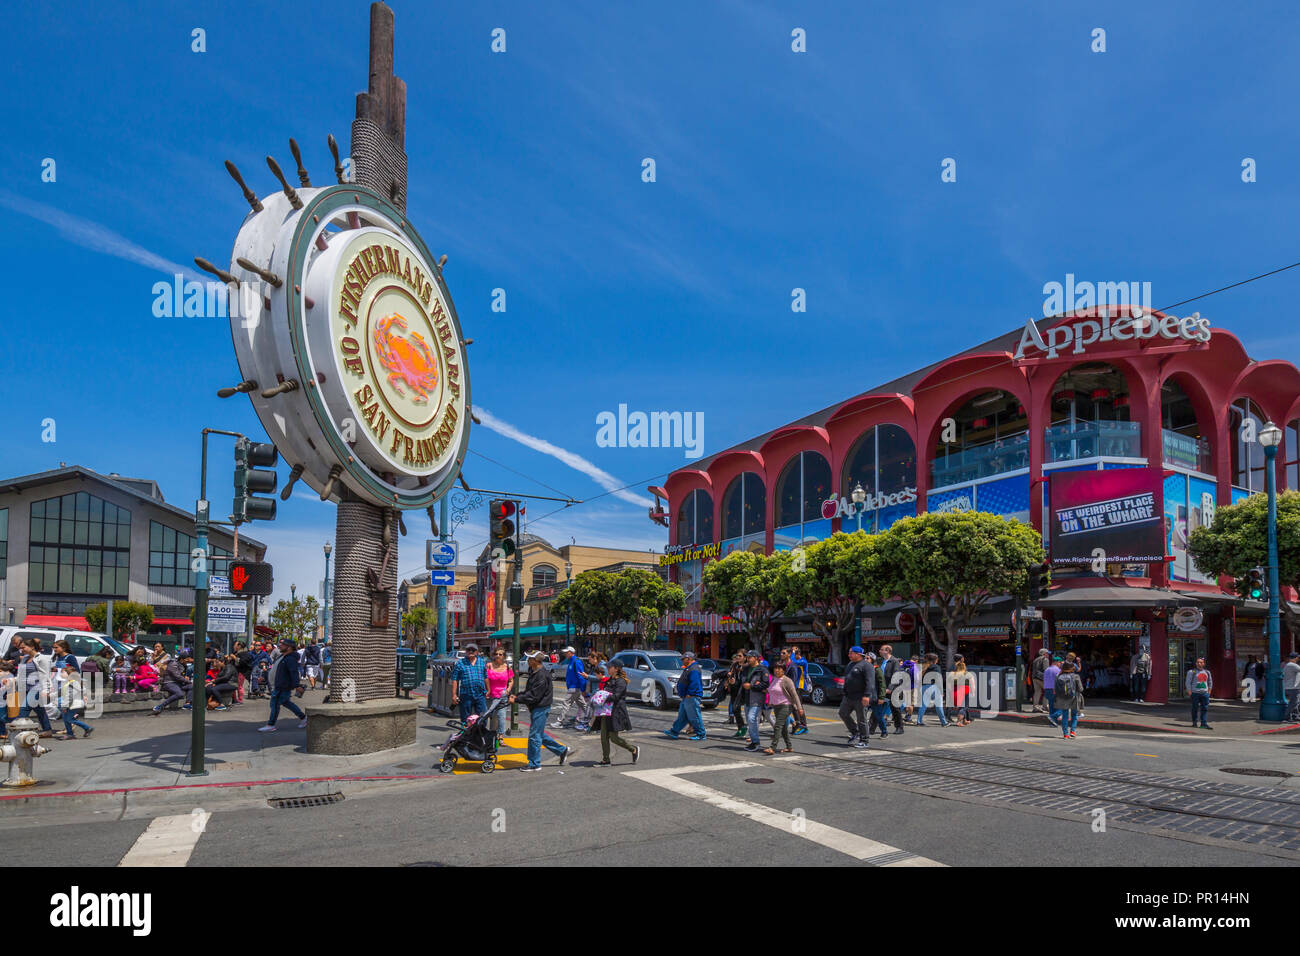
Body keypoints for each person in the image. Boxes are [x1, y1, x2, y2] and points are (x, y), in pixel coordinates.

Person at [509, 650, 570, 771]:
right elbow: (530, 691)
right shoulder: (534, 671)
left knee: (534, 736)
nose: (527, 660)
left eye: (529, 658)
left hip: (540, 707)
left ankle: (534, 764)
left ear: (535, 661)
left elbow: (534, 695)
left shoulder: (541, 674)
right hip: (538, 707)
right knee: (539, 734)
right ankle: (562, 750)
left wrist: (517, 699)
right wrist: (518, 696)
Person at [592, 660, 638, 766]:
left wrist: (603, 697)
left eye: (610, 667)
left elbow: (616, 696)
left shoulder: (621, 681)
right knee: (603, 736)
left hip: (615, 712)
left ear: (616, 668)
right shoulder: (610, 679)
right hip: (606, 711)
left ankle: (633, 749)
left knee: (614, 738)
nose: (608, 669)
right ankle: (606, 759)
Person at [258, 639, 307, 732]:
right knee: (286, 702)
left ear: (289, 647)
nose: (280, 646)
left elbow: (294, 672)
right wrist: (265, 676)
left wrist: (297, 685)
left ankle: (271, 724)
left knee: (275, 704)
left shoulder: (290, 658)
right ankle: (304, 718)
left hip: (283, 685)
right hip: (281, 685)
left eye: (283, 645)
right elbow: (274, 668)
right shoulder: (284, 656)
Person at [664, 649, 707, 740]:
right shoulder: (690, 667)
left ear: (689, 658)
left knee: (694, 715)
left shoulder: (694, 668)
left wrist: (690, 693)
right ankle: (674, 731)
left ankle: (701, 734)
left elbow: (694, 683)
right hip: (687, 697)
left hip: (691, 696)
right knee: (682, 716)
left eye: (683, 659)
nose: (682, 660)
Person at [763, 662, 804, 754]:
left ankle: (772, 747)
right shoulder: (774, 679)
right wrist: (770, 702)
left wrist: (799, 708)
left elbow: (794, 695)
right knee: (783, 728)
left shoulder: (787, 681)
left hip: (786, 705)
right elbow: (771, 691)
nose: (777, 670)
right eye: (775, 668)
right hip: (776, 706)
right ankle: (789, 747)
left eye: (779, 668)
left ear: (784, 670)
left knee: (778, 726)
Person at [17, 639, 54, 737]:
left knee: (24, 709)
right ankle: (47, 730)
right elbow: (21, 674)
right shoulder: (25, 658)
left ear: (32, 647)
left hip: (37, 688)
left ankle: (18, 732)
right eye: (20, 648)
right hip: (26, 688)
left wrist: (46, 690)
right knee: (40, 710)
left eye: (23, 647)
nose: (22, 650)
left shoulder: (41, 658)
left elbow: (46, 675)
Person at [838, 646, 874, 747]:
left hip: (861, 697)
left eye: (851, 653)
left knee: (861, 719)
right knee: (842, 713)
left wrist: (867, 695)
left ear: (858, 654)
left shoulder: (867, 665)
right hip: (848, 696)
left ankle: (864, 740)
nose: (849, 655)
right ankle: (855, 731)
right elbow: (847, 678)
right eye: (849, 653)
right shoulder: (850, 664)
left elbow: (870, 682)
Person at [552, 646, 590, 731]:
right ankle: (591, 718)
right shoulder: (571, 661)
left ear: (571, 652)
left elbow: (581, 676)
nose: (565, 654)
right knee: (583, 705)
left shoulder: (576, 661)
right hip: (574, 687)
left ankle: (560, 721)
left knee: (566, 703)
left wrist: (583, 689)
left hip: (574, 687)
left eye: (566, 652)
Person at [741, 650, 771, 753]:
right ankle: (753, 741)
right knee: (750, 721)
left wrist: (752, 686)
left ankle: (756, 742)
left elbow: (766, 684)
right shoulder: (746, 669)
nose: (748, 659)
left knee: (751, 718)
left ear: (757, 658)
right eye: (747, 657)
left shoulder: (763, 670)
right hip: (747, 698)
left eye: (750, 657)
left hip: (757, 699)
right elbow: (742, 681)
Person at [450, 644, 488, 723]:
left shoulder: (482, 662)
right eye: (468, 650)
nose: (470, 651)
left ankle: (480, 734)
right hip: (466, 694)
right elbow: (455, 679)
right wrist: (454, 695)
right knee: (465, 719)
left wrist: (489, 690)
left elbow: (485, 677)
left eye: (473, 650)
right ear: (466, 652)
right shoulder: (460, 663)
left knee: (483, 717)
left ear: (477, 652)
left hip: (480, 694)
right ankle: (466, 734)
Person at [56, 664, 93, 740]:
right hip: (69, 704)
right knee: (66, 719)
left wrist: (64, 706)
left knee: (69, 719)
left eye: (63, 672)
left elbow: (69, 696)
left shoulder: (72, 683)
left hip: (73, 705)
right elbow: (61, 692)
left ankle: (87, 728)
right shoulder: (68, 682)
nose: (61, 674)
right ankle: (70, 734)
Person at [485, 647, 513, 740]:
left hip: (502, 695)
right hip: (491, 695)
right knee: (491, 715)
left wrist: (508, 689)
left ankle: (500, 736)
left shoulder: (507, 667)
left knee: (501, 716)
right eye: (496, 654)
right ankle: (490, 734)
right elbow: (485, 679)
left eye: (500, 654)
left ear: (504, 657)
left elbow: (511, 680)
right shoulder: (489, 665)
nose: (498, 656)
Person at [915, 653, 949, 727]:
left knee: (923, 705)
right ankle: (944, 722)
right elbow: (939, 679)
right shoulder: (936, 667)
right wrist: (941, 691)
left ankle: (919, 721)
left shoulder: (923, 667)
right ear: (935, 660)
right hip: (933, 687)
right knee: (939, 705)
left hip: (923, 687)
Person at [878, 644, 905, 735]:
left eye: (881, 649)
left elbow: (896, 675)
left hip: (893, 689)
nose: (879, 651)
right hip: (883, 688)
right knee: (877, 707)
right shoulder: (882, 661)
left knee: (895, 709)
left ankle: (899, 727)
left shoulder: (894, 661)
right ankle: (871, 727)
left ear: (887, 651)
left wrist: (890, 688)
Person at [1055, 660, 1084, 738]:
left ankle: (1065, 733)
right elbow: (1081, 689)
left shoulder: (1058, 676)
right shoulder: (1076, 676)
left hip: (1063, 698)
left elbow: (1056, 689)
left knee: (1065, 715)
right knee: (1074, 715)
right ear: (1071, 668)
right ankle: (1073, 731)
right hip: (1074, 697)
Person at [1186, 656, 1213, 730]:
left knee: (1204, 708)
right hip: (1195, 693)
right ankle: (1194, 722)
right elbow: (1188, 683)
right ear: (1196, 663)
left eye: (1201, 662)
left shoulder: (1207, 672)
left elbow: (1210, 682)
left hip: (1204, 693)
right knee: (1195, 708)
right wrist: (1190, 692)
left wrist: (1209, 692)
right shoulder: (1192, 672)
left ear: (1203, 664)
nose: (1199, 663)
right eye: (1197, 662)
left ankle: (1203, 723)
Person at [788, 646, 810, 735]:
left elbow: (794, 661)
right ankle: (797, 724)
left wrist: (792, 652)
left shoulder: (803, 661)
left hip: (800, 686)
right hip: (794, 685)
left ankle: (803, 726)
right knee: (793, 707)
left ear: (799, 654)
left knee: (798, 706)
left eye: (793, 654)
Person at [726, 652, 747, 738]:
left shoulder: (747, 667)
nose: (738, 657)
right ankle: (741, 728)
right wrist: (729, 680)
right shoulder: (734, 665)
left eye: (740, 656)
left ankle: (744, 729)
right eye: (737, 655)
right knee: (735, 710)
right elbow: (730, 675)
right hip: (734, 690)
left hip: (743, 691)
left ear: (745, 657)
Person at [952, 655, 973, 726]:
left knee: (961, 706)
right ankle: (958, 721)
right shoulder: (967, 674)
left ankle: (964, 720)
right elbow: (972, 683)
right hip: (964, 690)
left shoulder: (954, 674)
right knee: (964, 707)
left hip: (955, 690)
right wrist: (973, 691)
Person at [1043, 655, 1062, 728]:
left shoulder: (1047, 669)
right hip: (1054, 689)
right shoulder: (1057, 670)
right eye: (1060, 662)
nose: (1060, 664)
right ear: (1057, 662)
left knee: (1052, 707)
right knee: (1062, 707)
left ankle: (1053, 723)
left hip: (1047, 689)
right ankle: (1053, 717)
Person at [1285, 653, 1300, 721]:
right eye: (1298, 657)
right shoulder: (1292, 665)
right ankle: (1287, 717)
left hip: (1291, 687)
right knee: (1293, 703)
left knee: (1296, 702)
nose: (1298, 659)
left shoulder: (1288, 665)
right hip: (1293, 687)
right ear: (1295, 658)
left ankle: (1295, 716)